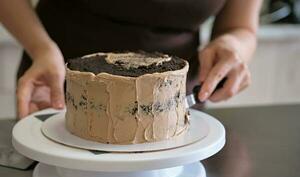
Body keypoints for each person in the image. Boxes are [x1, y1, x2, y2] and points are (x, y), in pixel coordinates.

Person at [0, 0, 262, 119]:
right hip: (60, 88)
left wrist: (233, 44)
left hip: (174, 105)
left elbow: (241, 26)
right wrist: (41, 48)